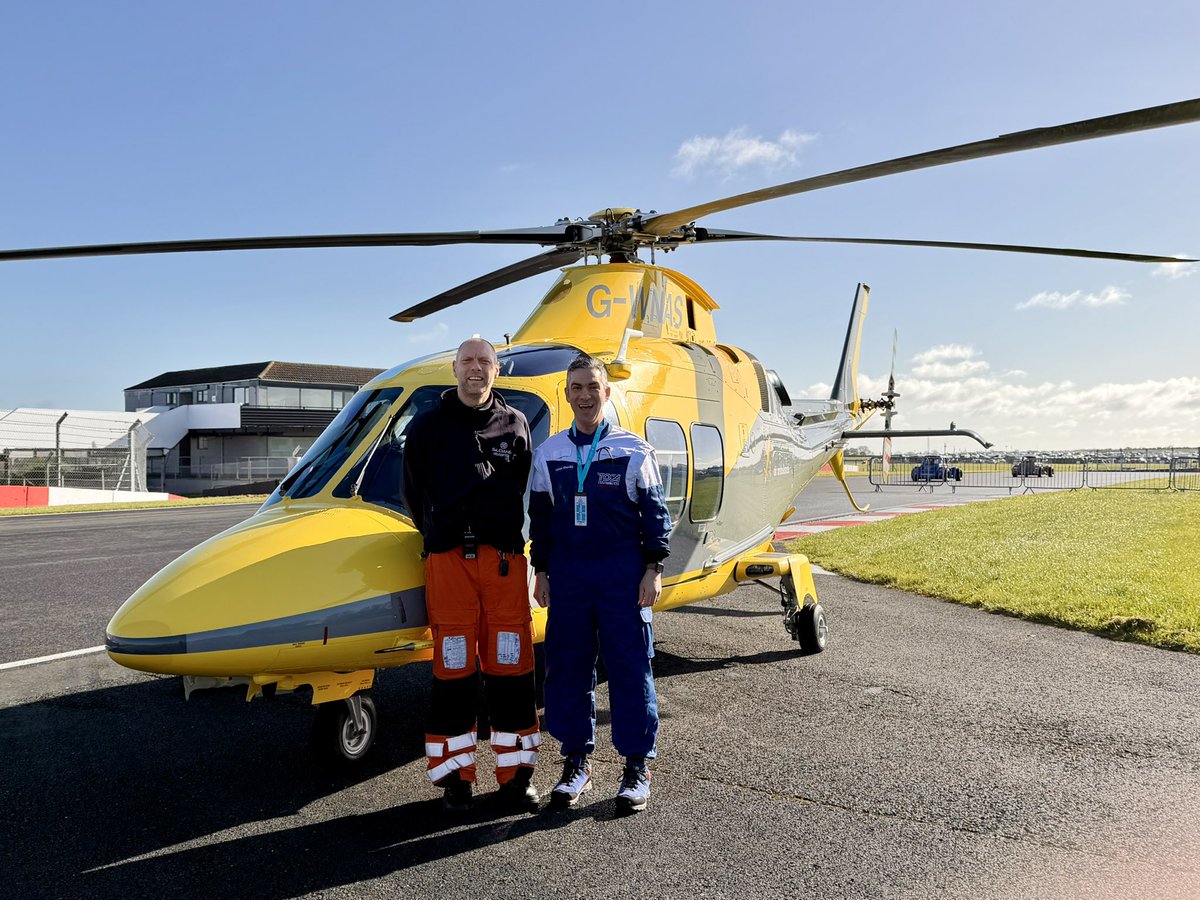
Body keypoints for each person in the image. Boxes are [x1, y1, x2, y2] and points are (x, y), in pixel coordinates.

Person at [402, 337, 541, 812]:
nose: (475, 369)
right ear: (455, 369)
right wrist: (438, 536)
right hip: (449, 565)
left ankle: (517, 778)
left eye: (485, 361)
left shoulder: (516, 424)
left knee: (513, 668)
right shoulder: (428, 427)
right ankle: (455, 780)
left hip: (503, 563)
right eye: (467, 362)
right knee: (454, 669)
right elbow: (413, 493)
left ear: (496, 371)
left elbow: (524, 490)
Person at [529, 354, 671, 813]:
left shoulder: (634, 450)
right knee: (567, 670)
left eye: (593, 386)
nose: (585, 395)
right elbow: (541, 521)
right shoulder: (548, 453)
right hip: (569, 577)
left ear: (606, 393)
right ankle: (576, 763)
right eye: (576, 387)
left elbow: (655, 517)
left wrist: (654, 569)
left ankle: (636, 768)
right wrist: (543, 571)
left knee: (631, 670)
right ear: (566, 394)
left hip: (622, 577)